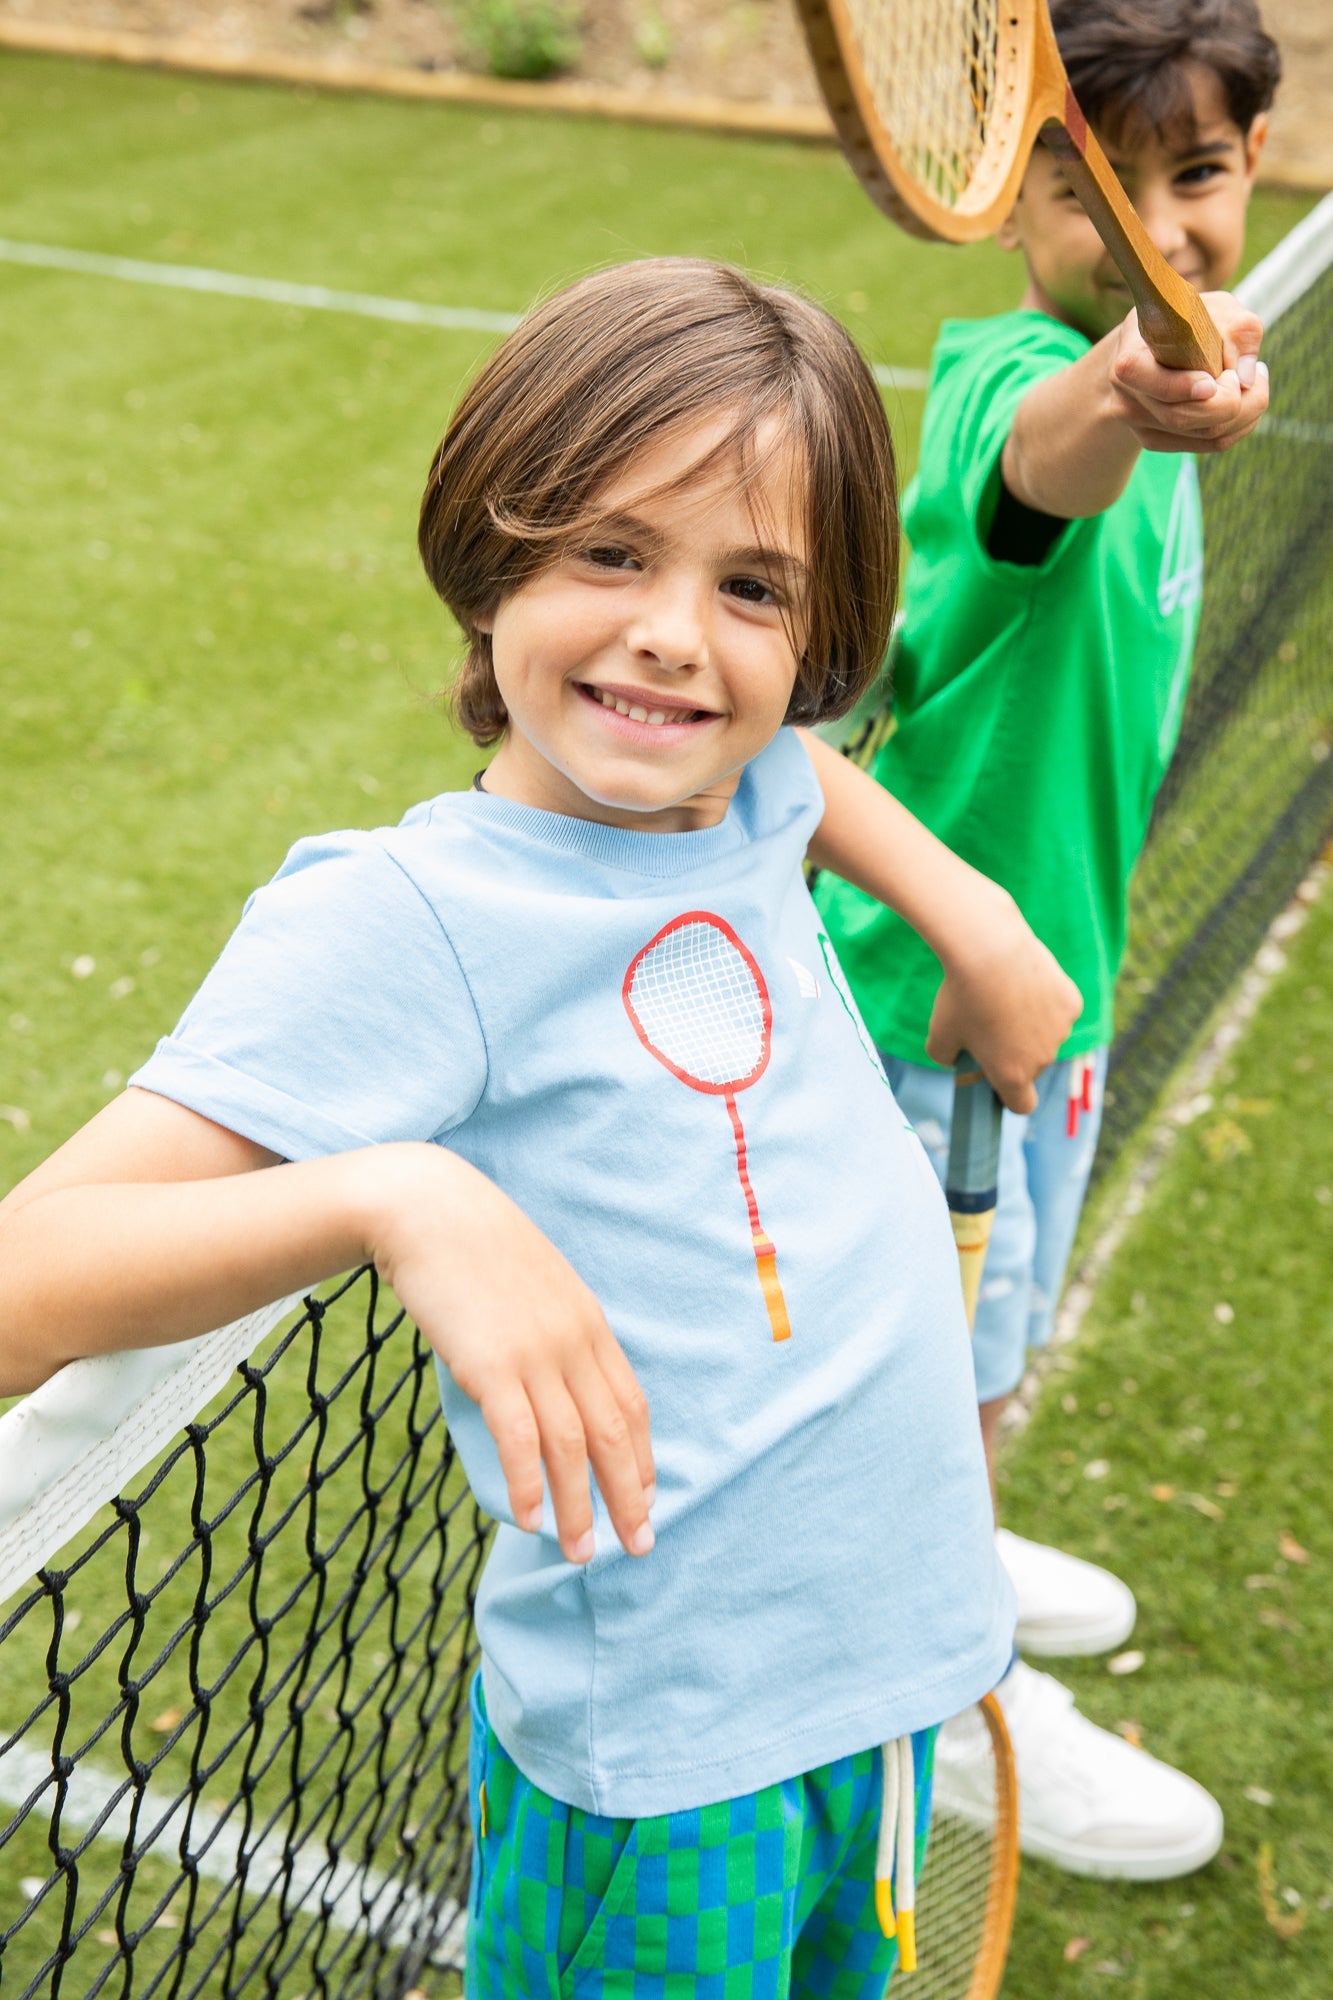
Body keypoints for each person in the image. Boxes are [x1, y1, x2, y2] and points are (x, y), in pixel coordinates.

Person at [0, 260, 1080, 1995]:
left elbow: (811, 781)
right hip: (667, 1771)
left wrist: (969, 913)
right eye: (609, 552)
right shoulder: (409, 916)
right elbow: (20, 1284)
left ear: (812, 645)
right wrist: (395, 1198)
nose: (673, 631)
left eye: (749, 587)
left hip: (884, 1679)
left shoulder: (746, 784)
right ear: (494, 545)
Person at [815, 0, 1280, 1884]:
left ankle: (963, 1554)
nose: (1163, 229)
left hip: (1045, 1007)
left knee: (987, 1372)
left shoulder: (1170, 354)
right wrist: (1137, 393)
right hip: (926, 1029)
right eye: (1099, 190)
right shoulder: (1018, 385)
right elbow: (1052, 453)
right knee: (922, 1399)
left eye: (1199, 174)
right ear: (1013, 209)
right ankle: (939, 1709)